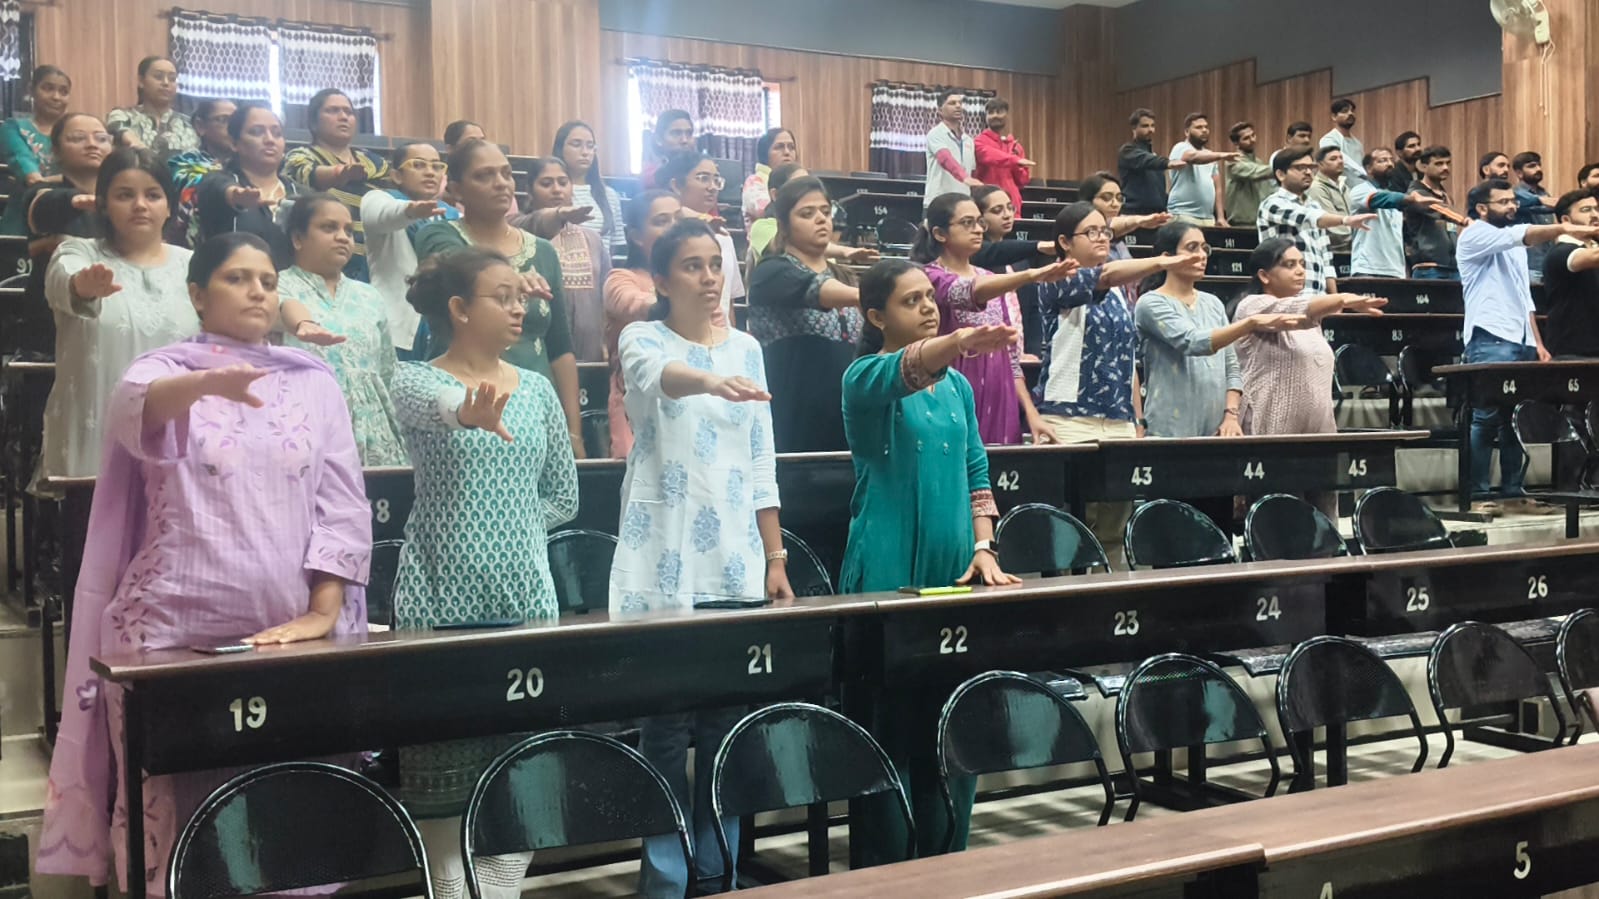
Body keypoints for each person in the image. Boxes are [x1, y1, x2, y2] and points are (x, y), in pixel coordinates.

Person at [35, 231, 372, 897]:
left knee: (289, 818)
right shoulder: (160, 371)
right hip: (170, 634)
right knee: (179, 821)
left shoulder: (312, 382)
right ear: (197, 293)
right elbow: (138, 410)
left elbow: (342, 503)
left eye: (268, 281)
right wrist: (205, 382)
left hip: (287, 634)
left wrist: (322, 610)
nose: (257, 292)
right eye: (237, 278)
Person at [610, 218, 792, 897]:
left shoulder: (747, 348)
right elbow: (660, 378)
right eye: (691, 265)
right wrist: (713, 383)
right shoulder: (641, 337)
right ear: (661, 278)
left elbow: (762, 456)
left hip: (736, 557)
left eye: (714, 264)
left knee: (725, 725)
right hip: (663, 552)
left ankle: (717, 873)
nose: (709, 277)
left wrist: (775, 555)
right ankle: (665, 879)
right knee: (664, 727)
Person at [389, 247, 578, 899]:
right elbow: (447, 405)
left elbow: (563, 496)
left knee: (526, 783)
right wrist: (468, 412)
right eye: (503, 296)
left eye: (520, 296)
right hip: (438, 600)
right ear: (459, 309)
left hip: (526, 601)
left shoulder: (539, 389)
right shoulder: (414, 380)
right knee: (443, 789)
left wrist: (512, 527)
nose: (519, 307)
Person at [842, 258, 1022, 868]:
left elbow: (976, 470)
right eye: (910, 301)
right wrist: (961, 341)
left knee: (954, 727)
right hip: (888, 569)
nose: (926, 308)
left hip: (955, 568)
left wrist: (984, 546)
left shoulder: (959, 388)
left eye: (929, 298)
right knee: (889, 732)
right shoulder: (864, 377)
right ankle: (888, 876)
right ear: (876, 316)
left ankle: (949, 866)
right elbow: (907, 369)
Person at [413, 139, 585, 459]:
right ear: (456, 189)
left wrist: (573, 431)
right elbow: (462, 270)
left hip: (533, 407)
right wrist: (512, 281)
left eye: (506, 173)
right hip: (461, 405)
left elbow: (560, 346)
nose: (501, 183)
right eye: (484, 175)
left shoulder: (543, 252)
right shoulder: (437, 236)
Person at [37, 147, 197, 483]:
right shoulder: (77, 252)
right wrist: (83, 286)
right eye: (125, 195)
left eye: (152, 195)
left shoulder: (194, 266)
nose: (140, 205)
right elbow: (64, 282)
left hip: (178, 453)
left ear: (169, 206)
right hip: (94, 452)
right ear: (103, 205)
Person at [1457, 178, 1599, 515]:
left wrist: (1537, 341)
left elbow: (1525, 299)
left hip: (1520, 337)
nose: (1512, 206)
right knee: (1486, 419)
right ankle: (1477, 495)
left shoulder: (1515, 245)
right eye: (1503, 202)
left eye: (1513, 200)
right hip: (1490, 335)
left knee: (1515, 419)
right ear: (1482, 208)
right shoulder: (1474, 234)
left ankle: (1512, 490)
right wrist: (1564, 228)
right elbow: (1522, 234)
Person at [1233, 239, 1386, 521]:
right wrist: (1343, 298)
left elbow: (1306, 312)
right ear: (1264, 275)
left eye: (1302, 264)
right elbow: (1299, 309)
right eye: (1289, 265)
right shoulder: (1251, 306)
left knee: (1325, 520)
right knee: (1283, 520)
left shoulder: (1313, 321)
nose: (1300, 271)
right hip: (1273, 433)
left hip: (1319, 434)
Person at [913, 191, 1073, 444]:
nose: (978, 229)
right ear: (940, 233)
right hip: (952, 387)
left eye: (979, 222)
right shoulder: (928, 277)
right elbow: (966, 291)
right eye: (967, 223)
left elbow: (1011, 357)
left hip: (1000, 391)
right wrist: (1031, 275)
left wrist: (1031, 413)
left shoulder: (989, 277)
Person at [1136, 221, 1304, 441]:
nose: (1202, 255)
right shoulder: (1151, 303)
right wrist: (1250, 324)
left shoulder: (1213, 303)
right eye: (1192, 248)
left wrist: (1231, 416)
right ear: (1167, 257)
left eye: (1204, 248)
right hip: (1169, 428)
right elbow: (1193, 342)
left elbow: (1231, 366)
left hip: (1218, 429)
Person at [277, 193, 407, 466]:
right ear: (297, 238)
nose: (343, 237)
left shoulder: (369, 296)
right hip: (305, 430)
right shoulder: (275, 285)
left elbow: (388, 372)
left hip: (376, 437)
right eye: (329, 228)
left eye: (348, 231)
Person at [747, 176, 861, 451]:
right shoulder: (771, 271)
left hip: (848, 423)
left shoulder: (845, 276)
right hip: (792, 423)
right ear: (783, 224)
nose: (821, 219)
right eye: (807, 214)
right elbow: (816, 289)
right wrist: (879, 295)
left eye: (825, 211)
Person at [11, 114, 107, 356]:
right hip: (51, 330)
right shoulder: (41, 193)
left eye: (101, 138)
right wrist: (76, 199)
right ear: (55, 151)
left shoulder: (120, 202)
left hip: (109, 327)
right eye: (78, 138)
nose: (92, 144)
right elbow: (43, 206)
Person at [605, 190, 682, 458]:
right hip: (635, 402)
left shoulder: (699, 281)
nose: (674, 227)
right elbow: (636, 305)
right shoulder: (620, 279)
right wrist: (685, 298)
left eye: (679, 218)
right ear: (636, 236)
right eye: (662, 221)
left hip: (688, 396)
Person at [283, 88, 389, 281]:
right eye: (332, 111)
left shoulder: (376, 163)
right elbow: (308, 175)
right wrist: (339, 174)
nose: (343, 117)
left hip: (376, 263)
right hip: (324, 261)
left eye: (348, 112)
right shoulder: (300, 156)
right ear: (313, 122)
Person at [361, 141, 454, 359]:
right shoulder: (381, 199)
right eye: (418, 165)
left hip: (442, 325)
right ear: (396, 175)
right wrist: (411, 211)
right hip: (396, 327)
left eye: (437, 166)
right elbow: (382, 215)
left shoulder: (452, 215)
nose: (430, 172)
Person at [194, 103, 303, 269]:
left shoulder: (302, 194)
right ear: (234, 143)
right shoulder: (215, 182)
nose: (269, 140)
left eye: (277, 134)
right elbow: (221, 189)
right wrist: (236, 197)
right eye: (257, 132)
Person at [524, 156, 611, 362]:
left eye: (563, 183)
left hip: (590, 351)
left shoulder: (593, 239)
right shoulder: (520, 232)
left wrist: (606, 342)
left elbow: (606, 293)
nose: (557, 190)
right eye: (546, 183)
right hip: (537, 351)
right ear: (529, 191)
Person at [1257, 147, 1375, 295]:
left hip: (1317, 294)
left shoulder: (1314, 205)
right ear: (1281, 174)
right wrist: (1345, 220)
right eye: (1300, 168)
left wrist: (1333, 297)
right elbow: (1310, 218)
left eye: (1310, 167)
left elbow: (1326, 256)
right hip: (1286, 296)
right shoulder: (1272, 204)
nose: (1308, 172)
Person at [660, 150, 746, 322]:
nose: (712, 187)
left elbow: (728, 301)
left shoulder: (723, 236)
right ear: (676, 185)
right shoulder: (667, 236)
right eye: (703, 178)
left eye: (716, 180)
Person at [1348, 152, 1446, 279]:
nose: (1389, 164)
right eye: (1382, 160)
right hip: (1368, 268)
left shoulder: (1397, 197)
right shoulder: (1360, 190)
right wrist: (1412, 199)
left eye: (1391, 160)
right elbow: (1381, 199)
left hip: (1395, 270)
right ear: (1368, 168)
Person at [164, 99, 236, 248]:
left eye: (236, 122)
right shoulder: (182, 164)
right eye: (223, 120)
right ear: (200, 126)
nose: (232, 128)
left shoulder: (251, 166)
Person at [553, 119, 626, 259]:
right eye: (576, 145)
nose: (585, 152)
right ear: (560, 148)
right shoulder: (554, 192)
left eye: (590, 146)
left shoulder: (610, 195)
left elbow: (616, 247)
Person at [105, 56, 197, 160]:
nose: (166, 83)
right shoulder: (123, 116)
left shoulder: (189, 124)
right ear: (141, 81)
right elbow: (116, 130)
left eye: (172, 79)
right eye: (158, 77)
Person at [1543, 189, 1599, 359]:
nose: (1595, 215)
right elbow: (1593, 258)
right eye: (1586, 210)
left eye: (1596, 209)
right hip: (1573, 352)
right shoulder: (1560, 252)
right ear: (1566, 221)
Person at [0, 64, 70, 191]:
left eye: (64, 92)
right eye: (48, 89)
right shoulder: (13, 128)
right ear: (31, 90)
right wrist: (69, 180)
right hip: (29, 201)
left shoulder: (75, 131)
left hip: (75, 201)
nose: (56, 97)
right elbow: (30, 174)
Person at [1167, 112, 1236, 226]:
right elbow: (1192, 157)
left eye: (1206, 127)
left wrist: (1220, 217)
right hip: (1183, 214)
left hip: (1208, 217)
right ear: (1187, 132)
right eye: (1198, 127)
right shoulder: (1180, 147)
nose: (1204, 130)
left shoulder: (1210, 154)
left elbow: (1217, 188)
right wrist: (1221, 155)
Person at [1404, 145, 1460, 280]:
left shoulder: (1445, 195)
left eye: (1447, 163)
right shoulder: (1416, 194)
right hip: (1428, 267)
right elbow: (1441, 212)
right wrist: (1464, 220)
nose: (1445, 168)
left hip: (1452, 266)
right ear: (1423, 167)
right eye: (1439, 164)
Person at [974, 97, 1034, 219]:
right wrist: (1014, 160)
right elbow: (989, 155)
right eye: (991, 112)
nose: (995, 115)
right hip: (988, 206)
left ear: (1007, 115)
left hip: (1012, 206)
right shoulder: (978, 142)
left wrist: (1016, 162)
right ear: (986, 117)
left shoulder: (1015, 146)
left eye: (999, 111)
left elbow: (1023, 181)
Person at [1118, 108, 1184, 215]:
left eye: (1152, 126)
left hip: (1157, 213)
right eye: (1145, 126)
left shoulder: (1153, 156)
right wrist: (1168, 163)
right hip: (1135, 212)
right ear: (1134, 128)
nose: (1151, 130)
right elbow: (1146, 160)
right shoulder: (1128, 151)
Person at [745, 161, 806, 271]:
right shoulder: (762, 227)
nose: (808, 193)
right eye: (799, 187)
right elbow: (792, 254)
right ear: (775, 195)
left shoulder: (815, 224)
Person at [925, 89, 981, 209]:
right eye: (952, 103)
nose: (958, 106)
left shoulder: (968, 140)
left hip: (963, 203)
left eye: (960, 103)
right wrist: (964, 177)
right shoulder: (935, 134)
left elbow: (972, 170)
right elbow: (945, 159)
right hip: (939, 201)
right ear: (940, 110)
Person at [1512, 151, 1559, 284]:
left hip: (1548, 262)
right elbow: (1539, 208)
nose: (1538, 169)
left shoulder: (1544, 192)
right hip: (1529, 264)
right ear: (1519, 173)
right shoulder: (1515, 194)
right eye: (1532, 166)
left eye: (1539, 165)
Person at [741, 126, 798, 222]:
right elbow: (768, 213)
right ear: (765, 154)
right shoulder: (754, 182)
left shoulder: (798, 180)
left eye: (791, 147)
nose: (787, 152)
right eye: (779, 147)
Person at [1225, 121, 1275, 226]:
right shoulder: (1233, 161)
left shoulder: (1259, 162)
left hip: (1259, 222)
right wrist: (1282, 168)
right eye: (1246, 138)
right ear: (1236, 143)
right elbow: (1254, 172)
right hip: (1241, 223)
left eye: (1253, 135)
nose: (1252, 140)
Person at [1306, 145, 1353, 252]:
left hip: (1349, 248)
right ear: (1320, 164)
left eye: (1341, 158)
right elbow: (1333, 227)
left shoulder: (1344, 186)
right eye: (1333, 159)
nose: (1340, 161)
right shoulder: (1317, 188)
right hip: (1333, 250)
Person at [643, 109, 694, 189]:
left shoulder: (703, 171)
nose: (685, 140)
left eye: (689, 133)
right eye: (676, 133)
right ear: (658, 139)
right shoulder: (651, 176)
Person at [1319, 98, 1366, 185]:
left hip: (1361, 185)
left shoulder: (1358, 143)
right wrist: (1364, 174)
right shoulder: (1328, 139)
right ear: (1334, 117)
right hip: (1339, 187)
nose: (1350, 113)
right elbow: (1344, 161)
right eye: (1345, 111)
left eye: (1352, 111)